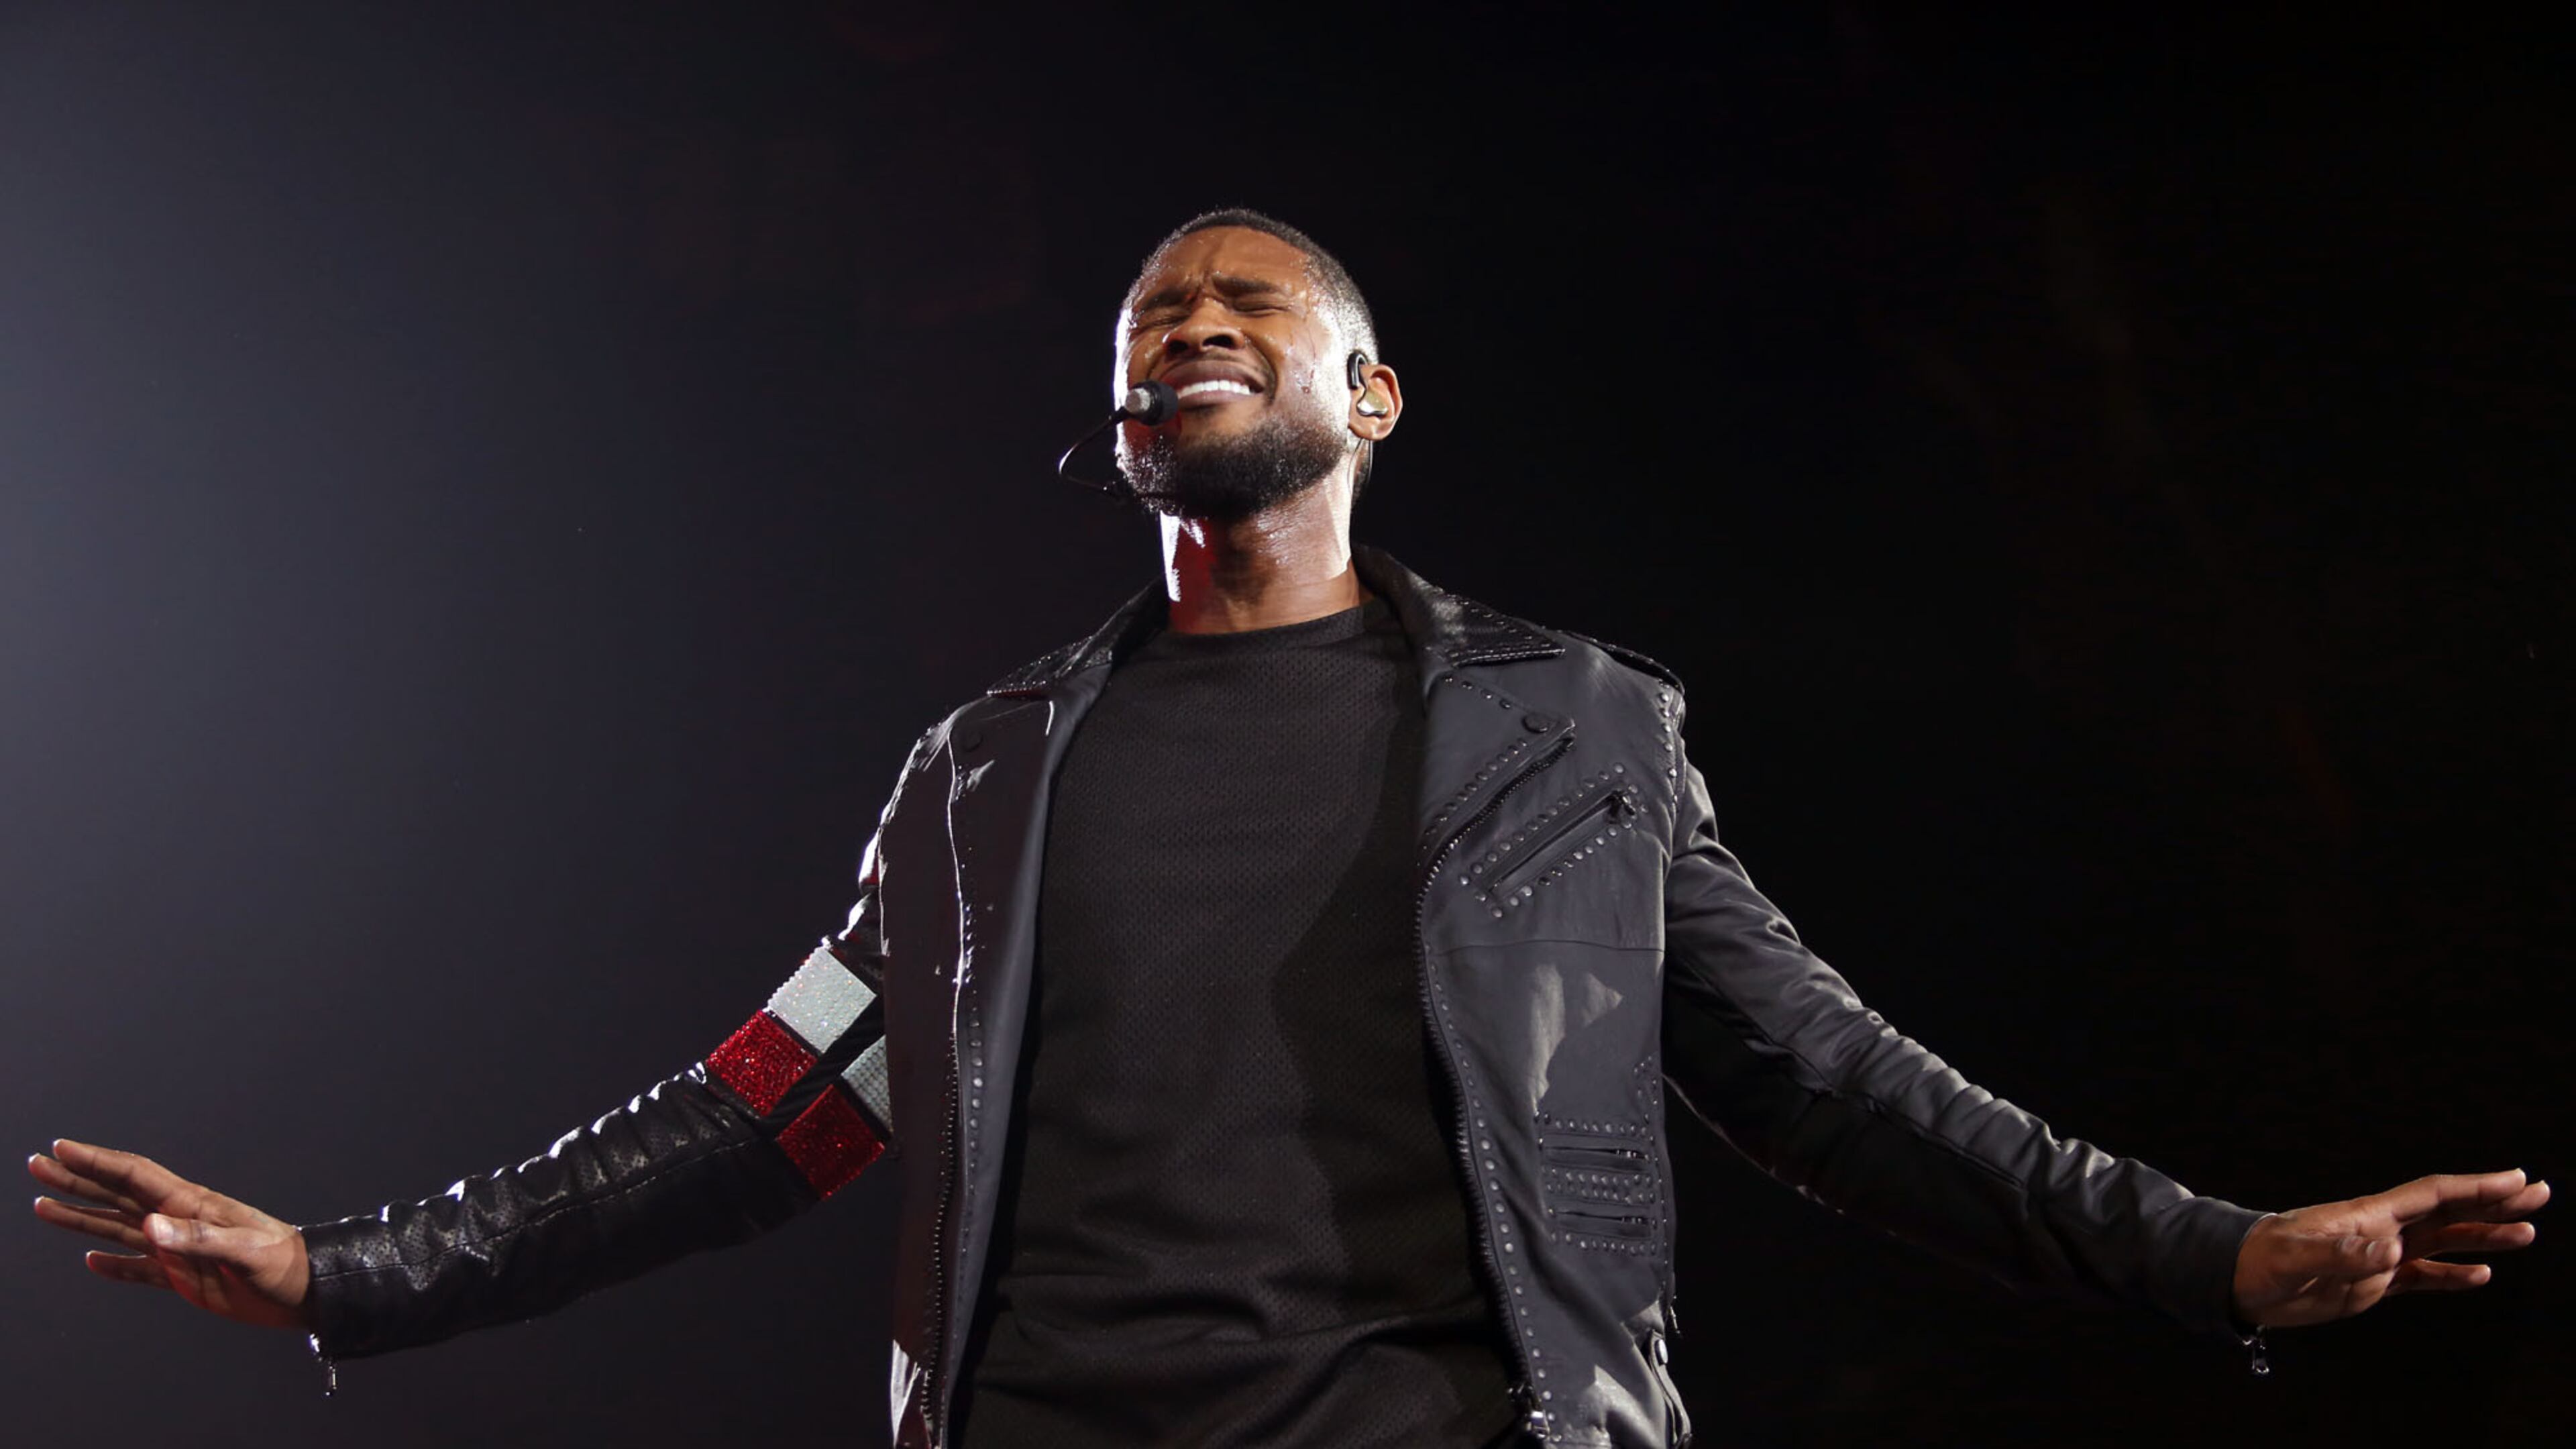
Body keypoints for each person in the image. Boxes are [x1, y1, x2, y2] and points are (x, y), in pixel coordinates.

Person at [30, 210, 2548, 1448]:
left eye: (1245, 301)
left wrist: (2212, 1256)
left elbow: (1834, 1079)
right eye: (1147, 318)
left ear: (1370, 394)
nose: (1188, 322)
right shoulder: (983, 775)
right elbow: (769, 1113)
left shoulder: (1575, 736)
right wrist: (352, 1272)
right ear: (1121, 424)